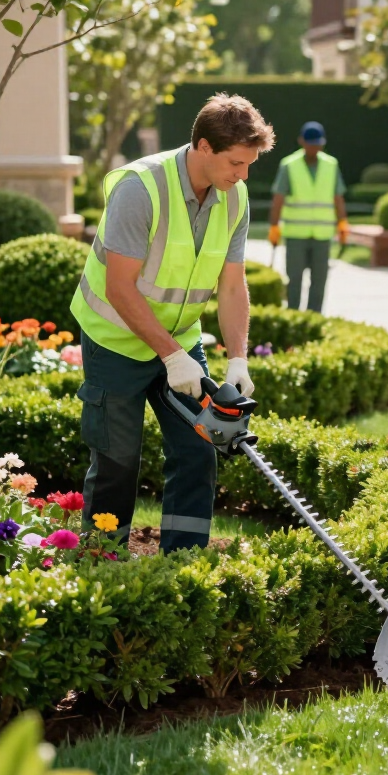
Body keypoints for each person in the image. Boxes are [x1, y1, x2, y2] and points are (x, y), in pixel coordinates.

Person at [70, 93, 274, 552]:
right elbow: (121, 289)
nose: (243, 175)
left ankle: (182, 559)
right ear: (204, 147)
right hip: (115, 340)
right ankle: (101, 559)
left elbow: (232, 285)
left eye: (249, 164)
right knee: (117, 460)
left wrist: (238, 358)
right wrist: (171, 356)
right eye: (237, 163)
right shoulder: (140, 189)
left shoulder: (233, 196)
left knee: (199, 448)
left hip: (180, 344)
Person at [268, 121, 350, 312]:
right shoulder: (289, 165)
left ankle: (314, 319)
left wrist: (343, 223)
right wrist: (274, 227)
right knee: (294, 279)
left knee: (319, 281)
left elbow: (338, 197)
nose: (314, 148)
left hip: (322, 235)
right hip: (296, 234)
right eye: (311, 143)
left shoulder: (331, 165)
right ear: (301, 142)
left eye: (318, 144)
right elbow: (278, 199)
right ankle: (294, 317)